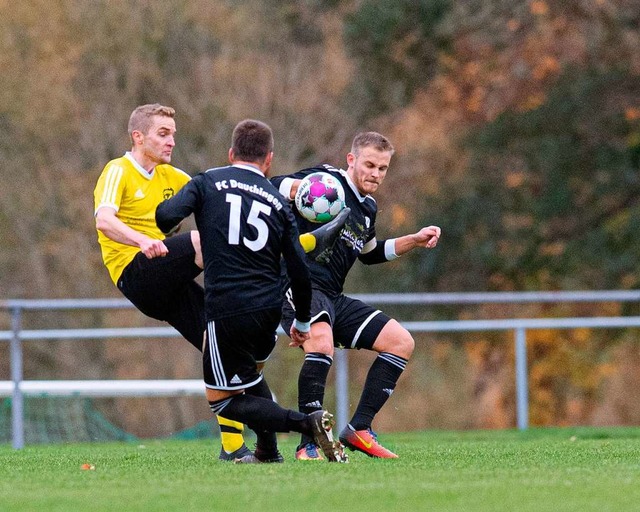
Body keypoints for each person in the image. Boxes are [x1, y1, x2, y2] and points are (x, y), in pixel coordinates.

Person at [94, 104, 345, 461]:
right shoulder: (118, 171)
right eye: (163, 134)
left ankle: (252, 448)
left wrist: (285, 190)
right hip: (136, 272)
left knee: (231, 363)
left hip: (172, 284)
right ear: (138, 137)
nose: (171, 142)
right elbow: (104, 221)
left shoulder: (173, 176)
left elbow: (233, 189)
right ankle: (305, 245)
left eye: (174, 134)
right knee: (203, 240)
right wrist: (141, 240)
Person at [271, 131, 441, 459]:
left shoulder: (368, 208)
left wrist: (414, 239)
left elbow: (370, 252)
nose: (375, 174)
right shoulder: (326, 182)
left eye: (382, 168)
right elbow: (273, 186)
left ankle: (359, 429)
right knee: (320, 344)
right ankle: (309, 443)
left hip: (332, 296)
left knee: (401, 341)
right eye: (369, 165)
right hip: (299, 287)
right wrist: (300, 190)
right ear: (351, 160)